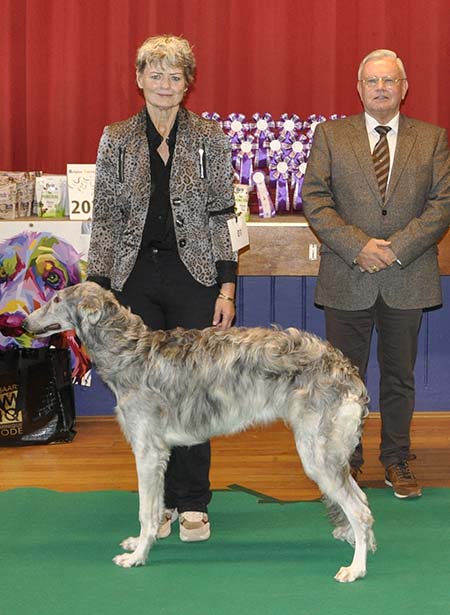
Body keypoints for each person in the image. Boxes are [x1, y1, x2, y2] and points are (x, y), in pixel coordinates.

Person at [87, 34, 237, 539]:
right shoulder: (116, 138)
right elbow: (105, 219)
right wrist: (97, 290)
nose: (165, 85)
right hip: (133, 280)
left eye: (175, 76)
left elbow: (222, 216)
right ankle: (161, 504)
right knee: (145, 396)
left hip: (194, 277)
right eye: (156, 75)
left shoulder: (210, 137)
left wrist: (226, 288)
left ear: (188, 83)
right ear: (139, 79)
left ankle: (192, 501)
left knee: (193, 389)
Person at [302, 49, 450, 499]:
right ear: (359, 88)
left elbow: (442, 205)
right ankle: (346, 460)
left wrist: (395, 250)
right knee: (342, 379)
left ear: (404, 88)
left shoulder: (433, 139)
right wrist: (358, 247)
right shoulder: (331, 135)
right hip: (348, 275)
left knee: (400, 377)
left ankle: (396, 458)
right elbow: (316, 199)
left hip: (408, 276)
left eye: (389, 81)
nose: (381, 88)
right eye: (372, 81)